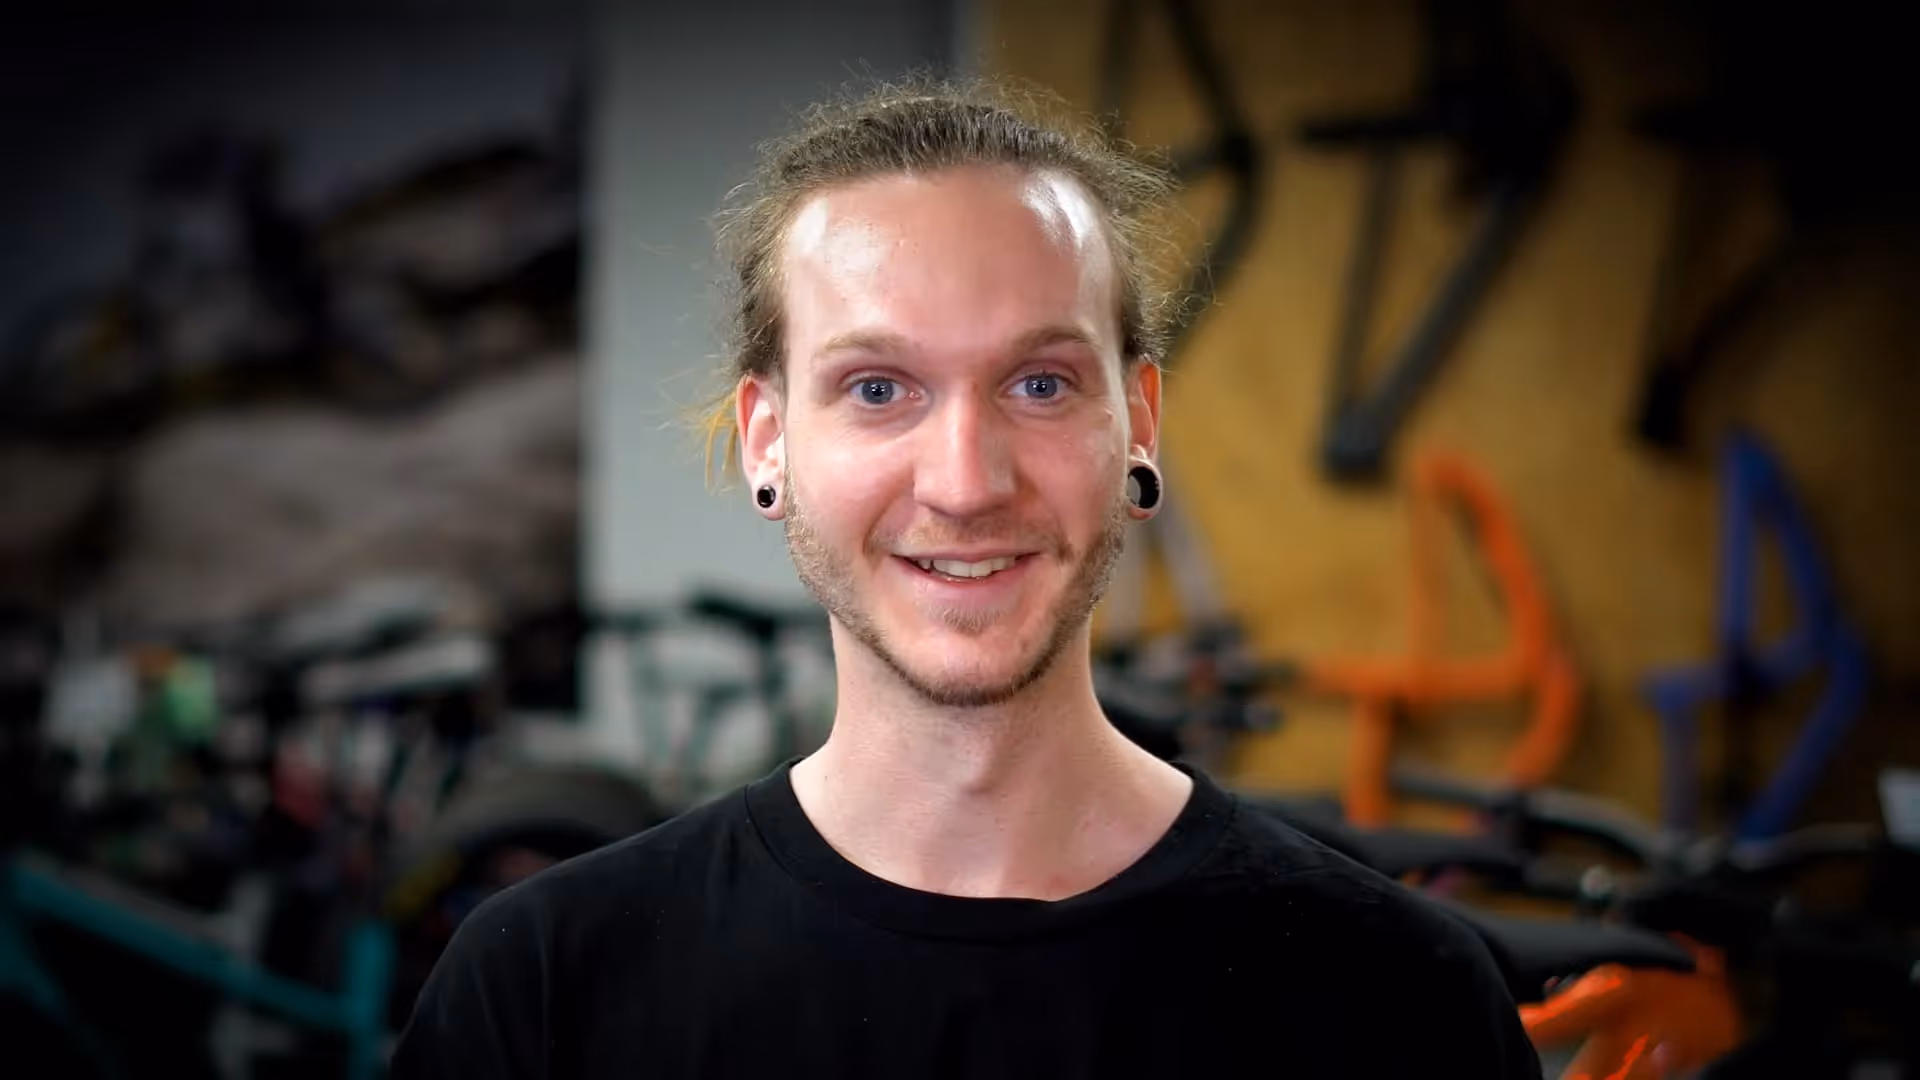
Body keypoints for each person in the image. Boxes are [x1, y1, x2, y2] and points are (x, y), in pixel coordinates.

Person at [390, 75, 1541, 1079]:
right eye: (878, 389)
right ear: (768, 440)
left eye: (1040, 385)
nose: (966, 481)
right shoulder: (542, 992)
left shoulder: (1399, 995)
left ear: (1138, 421)